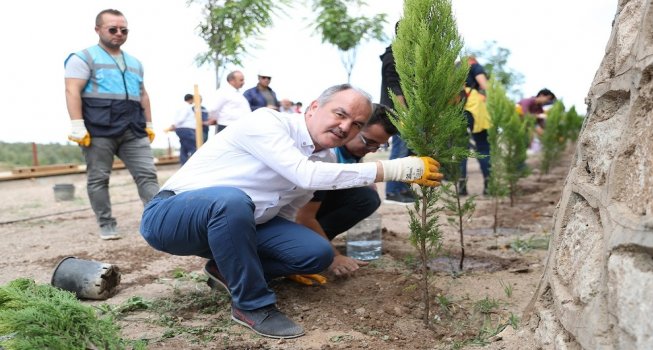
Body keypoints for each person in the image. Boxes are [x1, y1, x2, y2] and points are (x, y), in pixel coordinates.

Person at [139, 84, 441, 339]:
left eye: (357, 124)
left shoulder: (320, 155)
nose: (346, 127)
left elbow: (289, 213)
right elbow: (305, 175)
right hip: (171, 216)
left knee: (316, 254)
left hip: (237, 226)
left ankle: (224, 269)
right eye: (340, 114)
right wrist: (394, 168)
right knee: (232, 200)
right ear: (312, 108)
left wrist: (292, 256)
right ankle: (252, 305)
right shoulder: (267, 123)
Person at [65, 8, 160, 240]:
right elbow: (72, 90)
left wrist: (149, 123)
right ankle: (106, 223)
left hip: (133, 128)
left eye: (124, 30)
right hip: (98, 130)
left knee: (147, 174)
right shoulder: (82, 58)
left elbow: (143, 94)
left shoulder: (135, 63)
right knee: (99, 177)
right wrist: (77, 124)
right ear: (98, 29)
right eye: (113, 29)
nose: (119, 33)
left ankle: (159, 219)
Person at [295, 103, 398, 277]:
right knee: (365, 197)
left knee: (367, 194)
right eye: (368, 142)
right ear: (353, 128)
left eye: (378, 147)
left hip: (308, 211)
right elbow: (303, 217)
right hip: (290, 217)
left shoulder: (351, 153)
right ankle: (306, 246)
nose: (371, 151)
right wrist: (334, 256)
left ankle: (315, 242)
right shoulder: (326, 160)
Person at [380, 21, 416, 204]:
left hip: (408, 111)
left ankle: (403, 188)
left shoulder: (406, 56)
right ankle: (392, 191)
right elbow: (395, 88)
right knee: (400, 150)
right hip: (398, 111)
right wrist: (404, 114)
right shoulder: (392, 55)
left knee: (408, 151)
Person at [459, 55, 491, 195]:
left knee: (460, 150)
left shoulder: (453, 69)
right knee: (483, 147)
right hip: (474, 106)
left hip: (456, 106)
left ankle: (461, 188)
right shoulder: (474, 65)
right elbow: (484, 85)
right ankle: (488, 185)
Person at [168, 94, 197, 165]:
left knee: (184, 148)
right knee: (193, 148)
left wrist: (174, 125)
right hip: (187, 129)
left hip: (181, 129)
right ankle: (194, 165)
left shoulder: (180, 106)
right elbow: (182, 118)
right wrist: (174, 125)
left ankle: (183, 165)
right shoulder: (187, 107)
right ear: (191, 99)